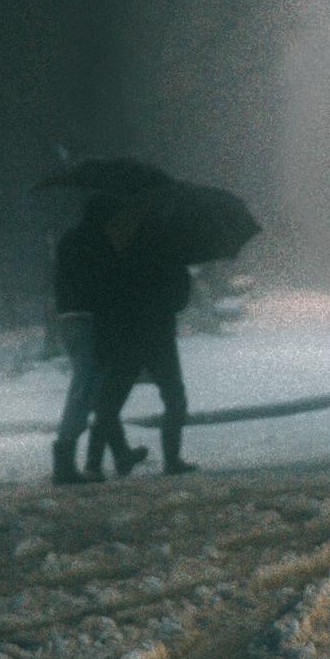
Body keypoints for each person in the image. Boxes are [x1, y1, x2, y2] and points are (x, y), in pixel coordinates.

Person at [82, 172, 197, 480]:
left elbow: (107, 291)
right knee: (174, 397)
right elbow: (177, 298)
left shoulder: (119, 243)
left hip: (127, 332)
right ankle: (172, 459)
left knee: (110, 399)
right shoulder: (168, 245)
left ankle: (94, 463)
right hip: (157, 332)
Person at [51, 191, 149, 484]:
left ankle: (116, 453)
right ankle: (65, 461)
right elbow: (109, 285)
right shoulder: (98, 242)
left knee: (92, 388)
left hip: (69, 317)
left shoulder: (70, 239)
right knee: (86, 389)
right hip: (86, 319)